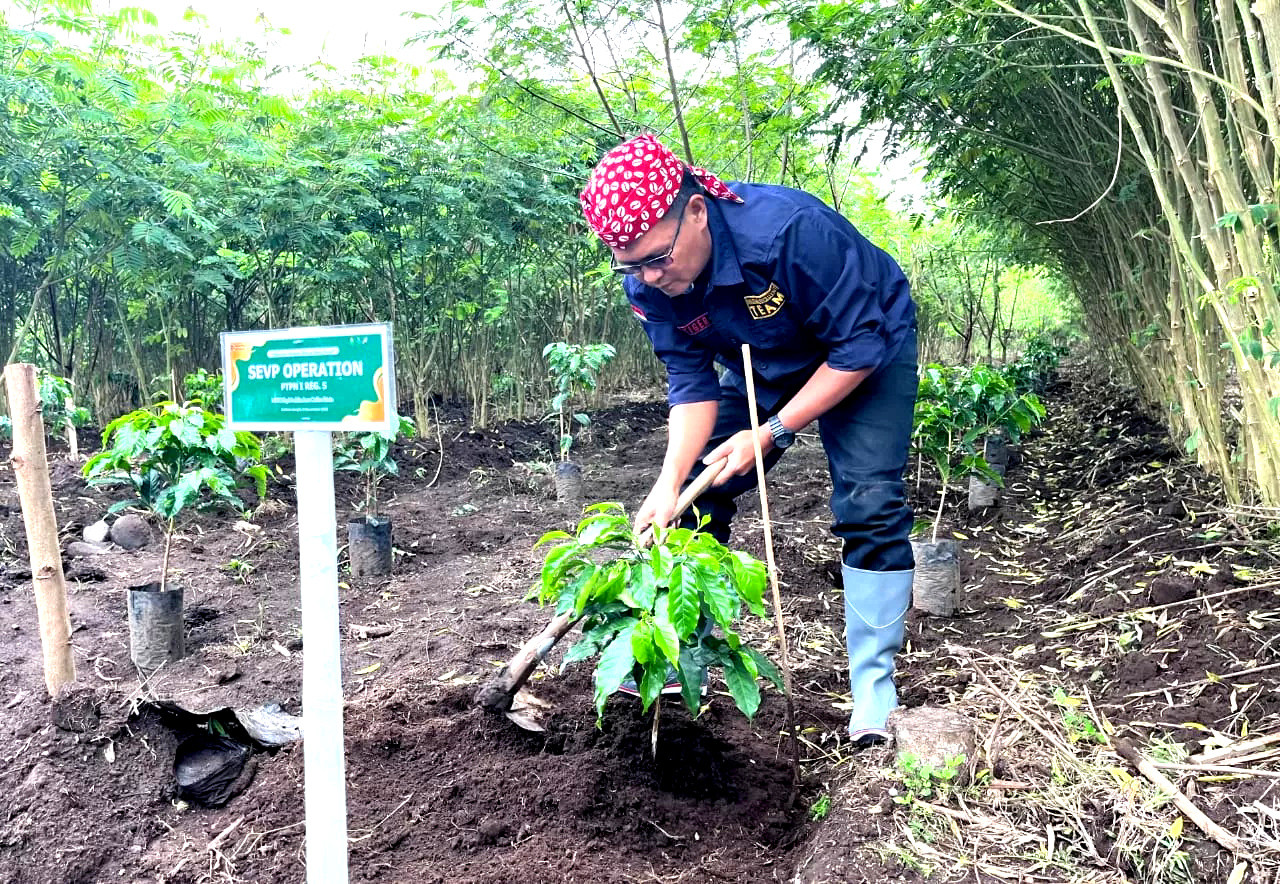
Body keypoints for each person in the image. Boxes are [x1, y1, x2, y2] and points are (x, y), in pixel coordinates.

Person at [578, 134, 918, 747]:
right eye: (632, 265)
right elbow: (689, 383)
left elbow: (859, 345)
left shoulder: (788, 232)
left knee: (868, 502)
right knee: (688, 499)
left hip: (864, 351)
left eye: (658, 257)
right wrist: (665, 484)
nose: (651, 276)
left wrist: (775, 430)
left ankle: (874, 688)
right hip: (759, 362)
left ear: (697, 211)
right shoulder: (648, 282)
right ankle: (685, 660)